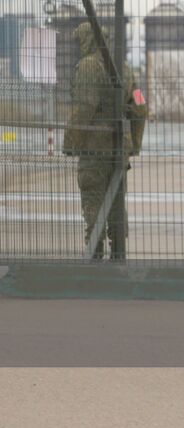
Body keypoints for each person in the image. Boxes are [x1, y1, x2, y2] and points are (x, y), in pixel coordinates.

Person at [65, 21, 147, 261]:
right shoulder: (125, 68)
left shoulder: (88, 66)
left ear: (88, 40)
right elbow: (140, 106)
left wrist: (71, 142)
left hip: (94, 149)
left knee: (93, 203)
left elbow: (84, 108)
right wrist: (135, 144)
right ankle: (118, 254)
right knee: (116, 204)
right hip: (119, 148)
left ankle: (95, 255)